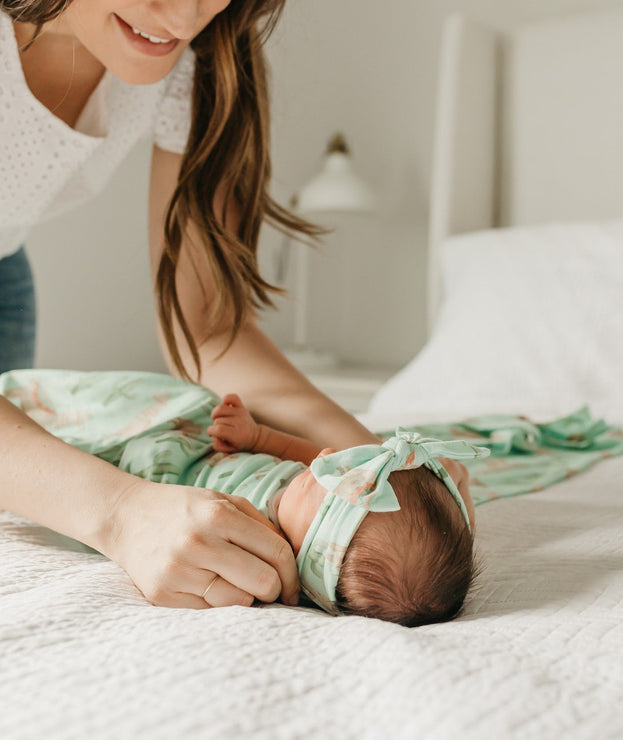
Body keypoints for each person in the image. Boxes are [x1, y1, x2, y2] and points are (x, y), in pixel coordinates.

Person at [0, 1, 471, 610]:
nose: (187, 11)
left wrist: (378, 471)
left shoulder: (201, 52)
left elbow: (209, 331)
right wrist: (120, 512)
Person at [1, 369, 487, 625]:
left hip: (160, 469)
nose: (318, 466)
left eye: (320, 493)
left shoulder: (258, 546)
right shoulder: (313, 477)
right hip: (196, 441)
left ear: (312, 559)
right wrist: (256, 436)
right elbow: (293, 449)